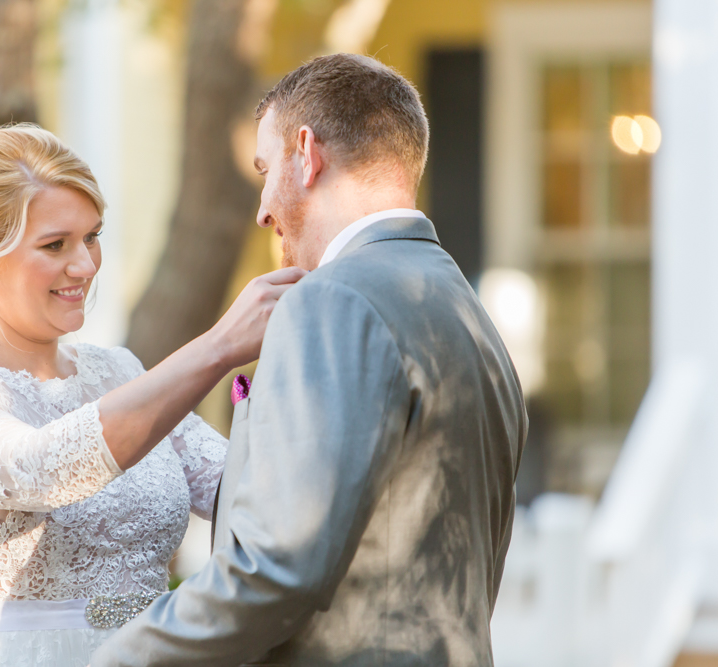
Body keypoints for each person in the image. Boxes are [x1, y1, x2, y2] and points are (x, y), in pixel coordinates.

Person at [91, 53, 528, 666]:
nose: (263, 208)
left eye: (266, 170)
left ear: (307, 152)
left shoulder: (331, 300)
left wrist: (119, 659)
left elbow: (277, 566)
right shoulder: (467, 313)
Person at [0, 124, 304, 667]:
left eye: (92, 237)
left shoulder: (118, 371)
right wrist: (218, 348)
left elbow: (240, 484)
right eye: (55, 245)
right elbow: (43, 469)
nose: (85, 265)